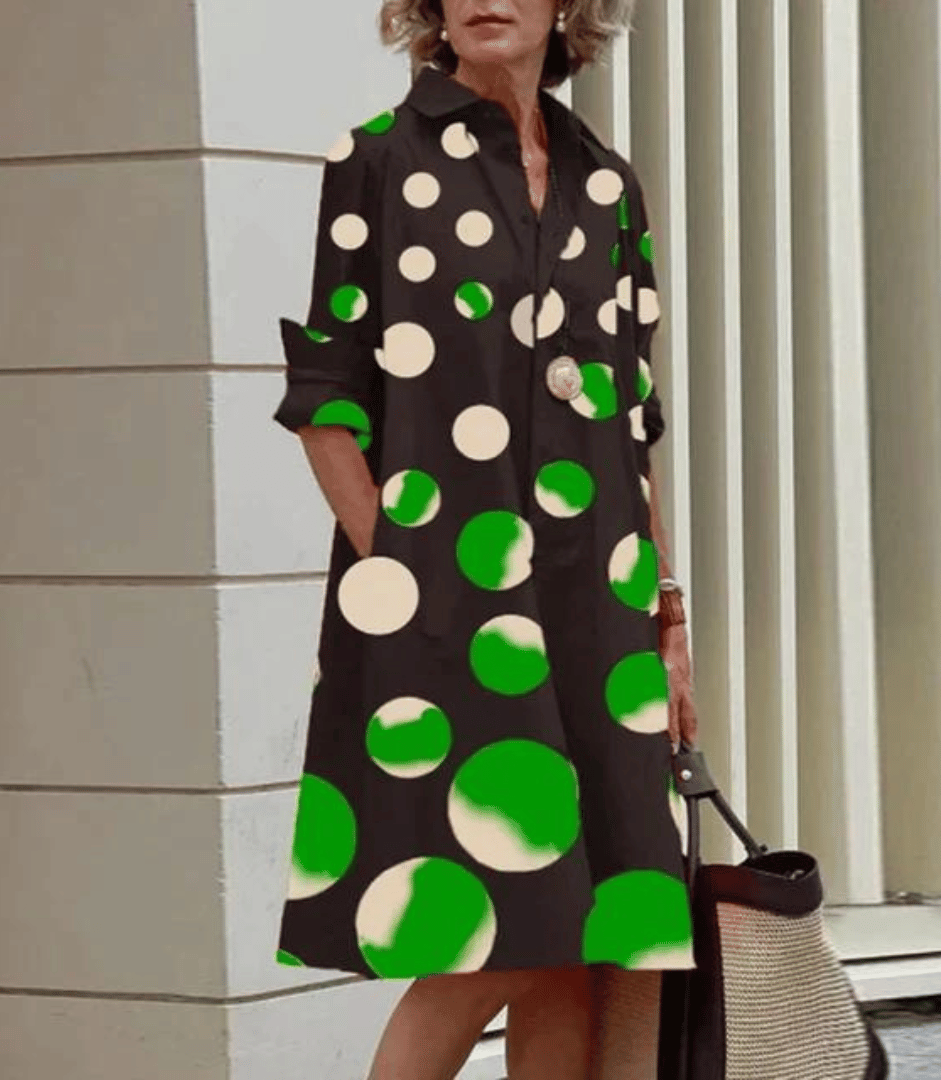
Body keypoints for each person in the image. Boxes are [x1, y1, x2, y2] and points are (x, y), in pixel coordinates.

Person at [269, 2, 699, 1077]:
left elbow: (631, 420)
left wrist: (667, 618)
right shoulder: (378, 162)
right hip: (448, 600)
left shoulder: (609, 185)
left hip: (600, 604)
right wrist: (398, 573)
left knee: (578, 942)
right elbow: (326, 402)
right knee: (484, 932)